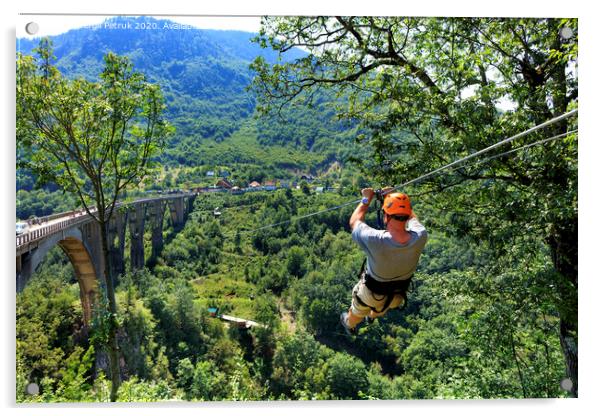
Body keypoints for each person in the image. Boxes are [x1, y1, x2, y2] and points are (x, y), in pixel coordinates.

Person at [340, 187, 428, 335]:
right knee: (380, 308)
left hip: (371, 293)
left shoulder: (375, 239)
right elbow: (413, 218)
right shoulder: (420, 236)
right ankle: (372, 317)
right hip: (397, 296)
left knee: (355, 313)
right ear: (407, 217)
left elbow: (354, 221)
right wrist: (394, 198)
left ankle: (350, 324)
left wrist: (366, 199)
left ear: (386, 217)